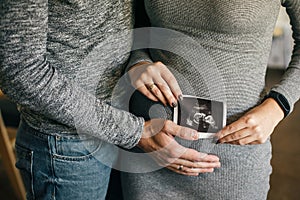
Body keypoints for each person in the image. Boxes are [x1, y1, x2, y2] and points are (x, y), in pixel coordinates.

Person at [0, 0, 221, 199]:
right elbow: (19, 70)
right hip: (70, 146)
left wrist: (138, 62)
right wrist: (131, 131)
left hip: (123, 126)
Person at [122, 0, 300, 199]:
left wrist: (279, 105)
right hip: (151, 147)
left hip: (232, 159)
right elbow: (135, 28)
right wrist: (138, 63)